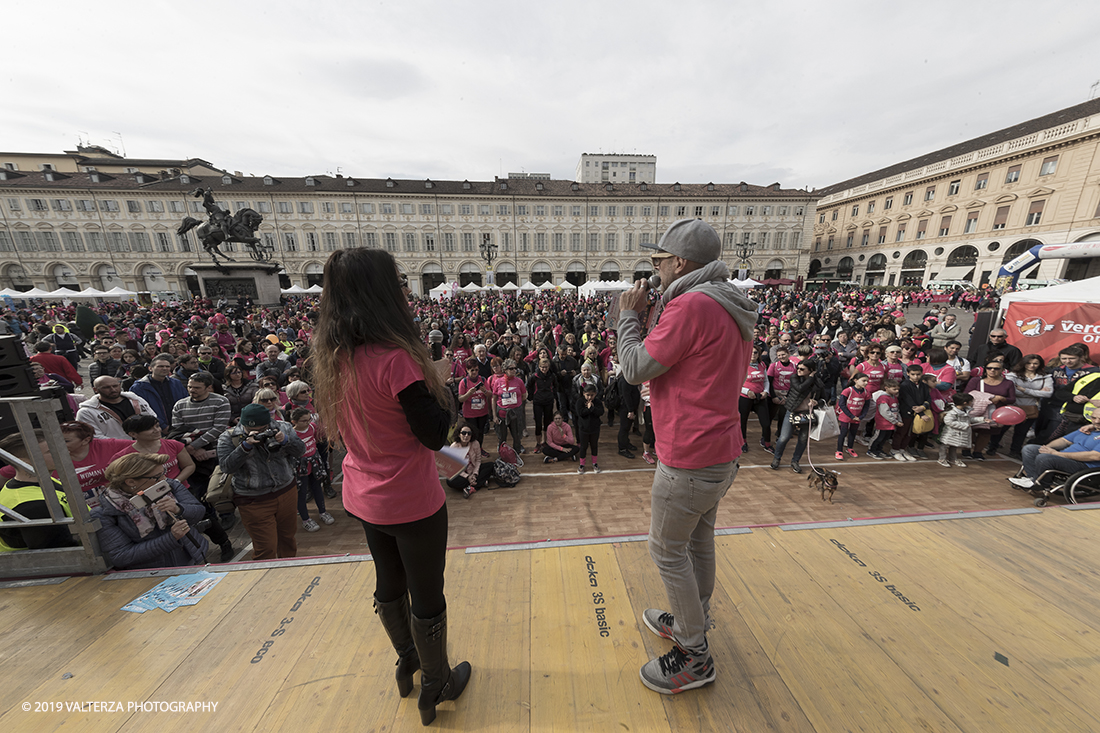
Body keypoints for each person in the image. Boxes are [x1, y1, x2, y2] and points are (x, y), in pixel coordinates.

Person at [310, 249, 470, 725]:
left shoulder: (333, 356)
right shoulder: (396, 359)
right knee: (427, 591)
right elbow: (434, 433)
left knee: (388, 578)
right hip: (410, 496)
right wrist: (441, 386)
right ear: (383, 292)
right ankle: (436, 684)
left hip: (364, 492)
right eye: (398, 281)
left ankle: (408, 662)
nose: (404, 287)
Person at [618, 218, 755, 695]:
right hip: (719, 448)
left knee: (666, 550)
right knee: (697, 542)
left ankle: (693, 656)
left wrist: (629, 316)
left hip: (689, 454)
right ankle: (691, 618)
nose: (653, 271)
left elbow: (635, 367)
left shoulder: (692, 305)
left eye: (658, 261)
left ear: (679, 263)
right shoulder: (726, 300)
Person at [217, 403, 305, 560]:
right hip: (254, 499)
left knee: (288, 539)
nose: (258, 433)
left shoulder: (283, 427)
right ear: (242, 423)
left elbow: (301, 451)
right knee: (265, 547)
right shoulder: (228, 437)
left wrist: (285, 440)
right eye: (253, 430)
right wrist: (245, 446)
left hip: (286, 491)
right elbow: (226, 467)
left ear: (269, 421)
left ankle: (290, 572)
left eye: (262, 429)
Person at [95, 453, 209, 569]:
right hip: (151, 573)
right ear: (131, 482)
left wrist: (179, 509)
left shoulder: (169, 485)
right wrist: (171, 538)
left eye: (164, 472)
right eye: (157, 477)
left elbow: (199, 512)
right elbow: (121, 555)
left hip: (191, 557)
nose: (164, 479)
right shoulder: (105, 512)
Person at [168, 371, 234, 560]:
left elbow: (219, 428)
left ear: (208, 387)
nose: (192, 390)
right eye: (190, 387)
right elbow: (178, 430)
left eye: (196, 387)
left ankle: (227, 513)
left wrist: (195, 446)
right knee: (200, 493)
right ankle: (212, 518)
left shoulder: (220, 401)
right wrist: (193, 450)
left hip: (216, 451)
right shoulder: (180, 405)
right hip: (190, 456)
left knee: (221, 487)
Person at [0, 431, 76, 552]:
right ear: (24, 462)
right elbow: (60, 555)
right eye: (50, 451)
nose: (65, 451)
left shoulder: (42, 480)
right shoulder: (31, 505)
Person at [1009, 409, 1100, 491]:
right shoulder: (1086, 429)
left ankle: (1042, 484)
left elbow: (1095, 456)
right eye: (1094, 418)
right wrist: (1047, 448)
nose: (1096, 421)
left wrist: (1056, 454)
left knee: (1045, 458)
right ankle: (1033, 478)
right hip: (1063, 457)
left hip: (1085, 465)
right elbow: (1064, 440)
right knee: (1029, 449)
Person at [114, 414, 196, 487]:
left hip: (180, 489)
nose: (157, 430)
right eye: (149, 428)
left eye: (157, 426)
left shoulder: (174, 444)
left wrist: (176, 482)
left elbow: (189, 466)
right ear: (133, 434)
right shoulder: (124, 456)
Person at [289, 407, 333, 532]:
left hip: (314, 463)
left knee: (317, 488)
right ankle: (305, 519)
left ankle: (323, 512)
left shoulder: (312, 427)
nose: (307, 423)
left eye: (309, 419)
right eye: (303, 421)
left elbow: (319, 438)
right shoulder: (292, 434)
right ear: (294, 421)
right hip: (300, 467)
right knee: (301, 492)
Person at [76, 376, 158, 440]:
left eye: (115, 386)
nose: (113, 389)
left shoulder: (136, 400)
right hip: (115, 452)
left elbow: (153, 418)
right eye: (106, 387)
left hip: (147, 446)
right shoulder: (87, 411)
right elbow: (95, 437)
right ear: (95, 389)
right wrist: (126, 444)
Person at [1005, 354, 1053, 459]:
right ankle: (992, 447)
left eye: (1035, 363)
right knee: (1003, 428)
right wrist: (1037, 392)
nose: (1032, 366)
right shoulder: (1012, 375)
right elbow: (1011, 391)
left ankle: (1015, 451)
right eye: (1029, 363)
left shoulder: (1046, 377)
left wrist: (1024, 390)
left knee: (1021, 432)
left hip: (1031, 408)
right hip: (1013, 406)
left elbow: (1048, 394)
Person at [130, 355, 188, 432]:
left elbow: (185, 402)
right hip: (155, 428)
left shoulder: (176, 383)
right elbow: (142, 410)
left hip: (179, 426)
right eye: (160, 366)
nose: (164, 368)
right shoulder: (139, 387)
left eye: (167, 366)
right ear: (150, 368)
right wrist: (163, 426)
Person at [938, 393, 984, 467]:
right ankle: (942, 459)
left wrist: (982, 419)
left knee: (954, 445)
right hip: (950, 433)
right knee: (945, 445)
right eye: (971, 401)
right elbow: (948, 421)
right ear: (965, 403)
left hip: (958, 433)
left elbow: (969, 419)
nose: (972, 403)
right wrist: (964, 425)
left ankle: (953, 458)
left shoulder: (965, 411)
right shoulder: (952, 412)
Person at [491, 359, 526, 454]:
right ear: (505, 370)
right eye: (511, 368)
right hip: (501, 413)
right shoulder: (498, 382)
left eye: (515, 368)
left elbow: (524, 396)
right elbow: (494, 399)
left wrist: (515, 404)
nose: (514, 370)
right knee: (502, 436)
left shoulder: (519, 381)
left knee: (517, 435)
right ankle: (503, 455)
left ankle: (516, 455)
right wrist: (494, 416)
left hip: (515, 413)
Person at [447, 423, 492, 498]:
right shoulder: (454, 447)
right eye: (463, 433)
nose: (466, 436)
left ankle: (470, 487)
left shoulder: (475, 443)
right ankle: (479, 482)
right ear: (459, 434)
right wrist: (467, 477)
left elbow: (478, 460)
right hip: (461, 473)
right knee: (450, 481)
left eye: (469, 433)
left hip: (473, 470)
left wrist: (474, 474)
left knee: (491, 465)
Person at [836, 373, 871, 460]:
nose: (866, 383)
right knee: (843, 433)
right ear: (855, 380)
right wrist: (851, 415)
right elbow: (842, 404)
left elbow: (866, 406)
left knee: (853, 433)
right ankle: (839, 450)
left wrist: (862, 416)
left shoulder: (866, 393)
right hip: (846, 416)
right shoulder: (848, 390)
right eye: (864, 381)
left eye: (867, 381)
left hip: (857, 417)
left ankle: (850, 448)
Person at [868, 378, 903, 459]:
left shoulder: (894, 397)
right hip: (883, 423)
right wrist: (895, 421)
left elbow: (897, 410)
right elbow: (884, 412)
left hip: (891, 423)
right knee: (879, 437)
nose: (897, 391)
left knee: (885, 437)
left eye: (898, 389)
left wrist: (898, 420)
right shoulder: (883, 398)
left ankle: (879, 450)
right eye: (894, 389)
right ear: (886, 387)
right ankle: (872, 450)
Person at [574, 382, 604, 474]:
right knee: (583, 447)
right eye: (587, 395)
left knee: (594, 446)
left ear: (595, 394)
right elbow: (580, 413)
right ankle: (582, 465)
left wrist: (592, 409)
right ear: (583, 393)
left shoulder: (597, 402)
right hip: (583, 429)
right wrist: (589, 409)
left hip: (595, 429)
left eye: (592, 395)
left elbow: (601, 412)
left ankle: (594, 463)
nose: (590, 397)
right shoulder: (579, 402)